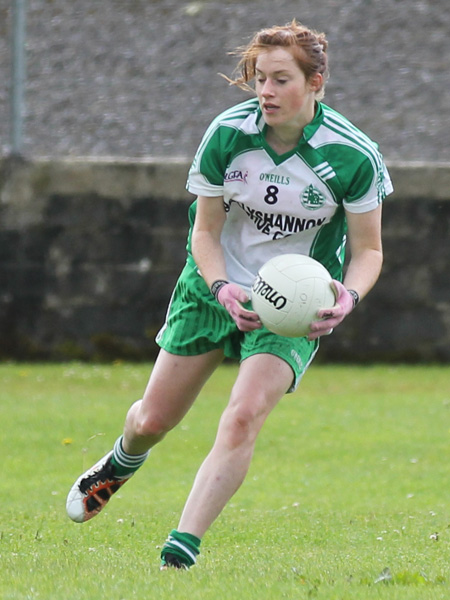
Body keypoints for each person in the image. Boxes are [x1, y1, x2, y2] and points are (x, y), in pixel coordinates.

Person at [66, 20, 393, 570]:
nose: (265, 91)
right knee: (152, 421)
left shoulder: (354, 155)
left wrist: (349, 299)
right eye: (259, 78)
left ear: (316, 83)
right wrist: (220, 287)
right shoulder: (227, 134)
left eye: (281, 79)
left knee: (242, 417)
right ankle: (122, 462)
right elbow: (204, 232)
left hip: (293, 307)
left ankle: (181, 550)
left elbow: (369, 252)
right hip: (212, 285)